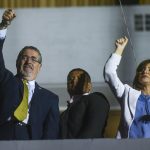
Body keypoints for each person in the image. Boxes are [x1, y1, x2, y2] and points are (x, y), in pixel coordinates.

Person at [0, 9, 60, 140]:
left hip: (32, 142)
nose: (28, 62)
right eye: (24, 58)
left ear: (40, 67)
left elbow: (51, 133)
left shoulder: (50, 98)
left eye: (34, 59)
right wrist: (3, 26)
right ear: (17, 62)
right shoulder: (6, 80)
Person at [104, 36, 150, 138]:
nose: (145, 71)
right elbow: (109, 72)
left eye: (149, 69)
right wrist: (119, 49)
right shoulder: (127, 93)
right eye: (142, 69)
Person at [59, 68, 110, 139]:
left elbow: (92, 132)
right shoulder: (63, 115)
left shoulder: (96, 99)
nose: (74, 81)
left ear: (89, 86)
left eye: (79, 79)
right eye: (71, 79)